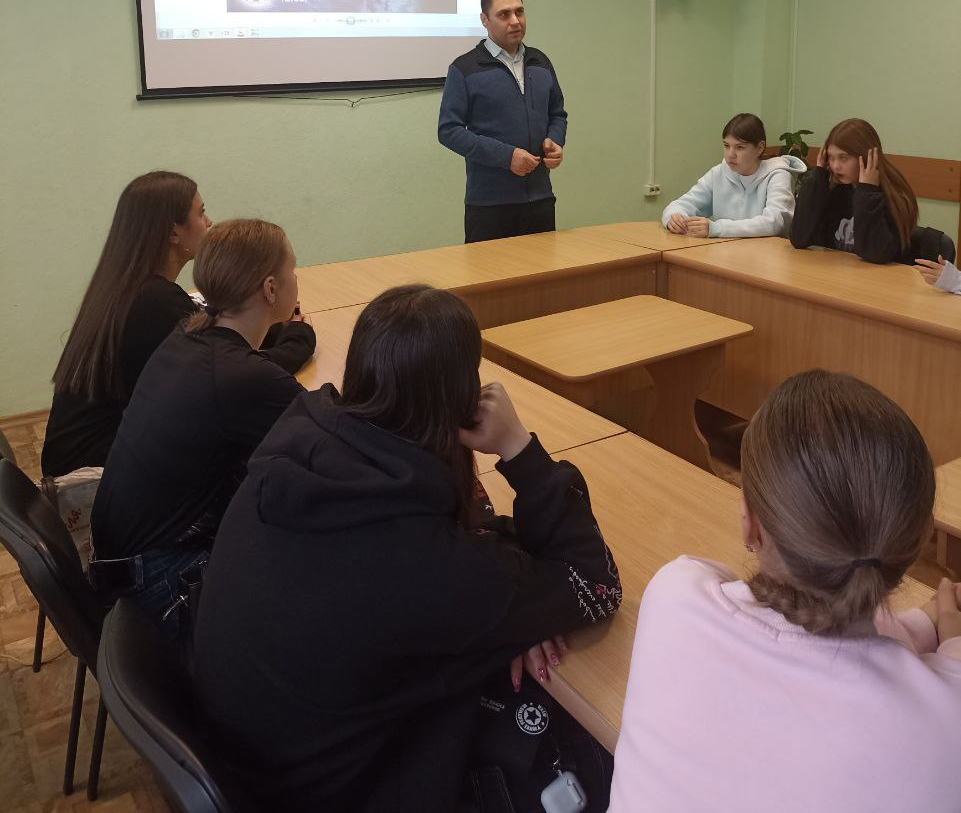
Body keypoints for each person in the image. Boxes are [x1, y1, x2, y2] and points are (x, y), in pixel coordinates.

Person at [193, 284, 620, 813]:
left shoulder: (304, 442)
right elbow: (595, 584)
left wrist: (509, 611)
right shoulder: (426, 562)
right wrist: (519, 449)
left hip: (263, 757)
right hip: (339, 791)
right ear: (463, 402)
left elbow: (463, 547)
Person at [608, 369, 961, 813]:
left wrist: (932, 626)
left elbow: (806, 630)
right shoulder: (945, 722)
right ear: (916, 541)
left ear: (750, 524)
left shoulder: (675, 595)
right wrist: (948, 634)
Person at [88, 219, 313, 639]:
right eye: (293, 269)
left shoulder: (187, 335)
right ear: (270, 288)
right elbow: (334, 439)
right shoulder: (245, 376)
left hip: (119, 563)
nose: (297, 279)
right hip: (159, 584)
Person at [42, 172, 313, 477]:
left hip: (89, 456)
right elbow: (236, 371)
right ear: (174, 232)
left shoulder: (129, 287)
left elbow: (222, 329)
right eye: (201, 213)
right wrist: (299, 337)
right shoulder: (156, 303)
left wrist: (272, 322)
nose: (209, 222)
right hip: (92, 473)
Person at [438, 0, 567, 243]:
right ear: (485, 20)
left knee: (542, 270)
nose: (515, 21)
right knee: (489, 271)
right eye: (504, 14)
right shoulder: (465, 68)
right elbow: (449, 131)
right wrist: (507, 157)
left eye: (519, 12)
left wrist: (556, 140)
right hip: (489, 206)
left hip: (540, 199)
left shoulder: (540, 62)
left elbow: (557, 113)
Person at [789, 118, 918, 263]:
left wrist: (868, 193)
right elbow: (799, 238)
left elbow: (875, 254)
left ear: (866, 157)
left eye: (843, 158)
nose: (835, 166)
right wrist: (818, 177)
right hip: (835, 272)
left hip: (878, 275)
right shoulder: (836, 190)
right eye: (831, 157)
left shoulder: (893, 196)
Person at [661, 113, 805, 238]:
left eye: (740, 147)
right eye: (726, 145)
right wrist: (674, 218)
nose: (730, 155)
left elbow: (774, 222)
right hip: (727, 252)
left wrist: (718, 228)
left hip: (767, 256)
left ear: (760, 148)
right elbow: (680, 205)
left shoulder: (778, 175)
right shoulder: (719, 173)